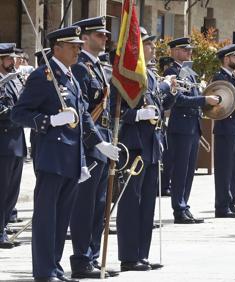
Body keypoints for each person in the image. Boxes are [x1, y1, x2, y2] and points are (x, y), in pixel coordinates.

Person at [11, 26, 119, 282]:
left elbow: (83, 117)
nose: (77, 50)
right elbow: (19, 114)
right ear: (57, 48)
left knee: (61, 220)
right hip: (51, 159)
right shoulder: (43, 76)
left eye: (78, 46)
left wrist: (98, 144)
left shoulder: (70, 77)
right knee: (47, 219)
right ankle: (44, 271)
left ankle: (55, 268)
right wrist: (49, 120)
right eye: (73, 46)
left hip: (73, 159)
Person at [116, 27, 176, 271]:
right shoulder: (127, 76)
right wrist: (137, 114)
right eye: (148, 44)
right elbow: (116, 112)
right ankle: (129, 256)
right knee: (131, 202)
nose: (153, 48)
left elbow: (159, 107)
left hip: (152, 146)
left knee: (148, 203)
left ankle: (142, 253)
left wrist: (170, 93)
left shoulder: (150, 76)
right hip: (134, 146)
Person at [68, 16, 115, 279]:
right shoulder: (80, 67)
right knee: (85, 206)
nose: (105, 38)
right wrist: (96, 142)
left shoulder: (96, 66)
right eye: (99, 35)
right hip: (90, 145)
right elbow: (82, 112)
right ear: (84, 38)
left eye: (106, 35)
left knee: (99, 205)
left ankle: (94, 257)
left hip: (103, 140)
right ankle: (81, 259)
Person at [164, 37, 219, 224]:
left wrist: (205, 99)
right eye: (185, 50)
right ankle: (178, 209)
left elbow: (195, 95)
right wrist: (204, 100)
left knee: (188, 171)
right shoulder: (172, 72)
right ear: (174, 51)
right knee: (180, 170)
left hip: (192, 126)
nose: (189, 53)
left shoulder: (189, 72)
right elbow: (179, 100)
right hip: (180, 127)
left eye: (190, 50)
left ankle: (184, 205)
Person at [211, 44, 235, 218]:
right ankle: (222, 206)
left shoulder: (234, 77)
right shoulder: (219, 77)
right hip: (225, 128)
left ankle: (232, 202)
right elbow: (226, 99)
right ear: (226, 59)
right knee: (224, 169)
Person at [0, 43, 27, 249]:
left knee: (12, 191)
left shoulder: (13, 81)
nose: (13, 62)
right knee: (2, 189)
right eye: (9, 59)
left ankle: (4, 225)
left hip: (17, 143)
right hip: (4, 143)